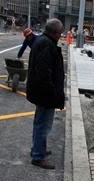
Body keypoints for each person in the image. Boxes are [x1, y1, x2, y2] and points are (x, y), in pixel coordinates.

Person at [26, 19, 65, 169]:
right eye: (60, 33)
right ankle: (38, 156)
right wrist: (52, 93)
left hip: (41, 93)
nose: (60, 36)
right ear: (54, 33)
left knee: (39, 123)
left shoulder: (43, 41)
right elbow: (44, 74)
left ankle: (37, 149)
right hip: (45, 95)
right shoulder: (46, 45)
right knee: (43, 125)